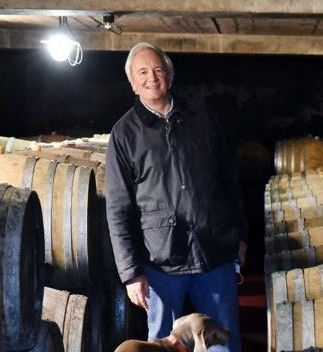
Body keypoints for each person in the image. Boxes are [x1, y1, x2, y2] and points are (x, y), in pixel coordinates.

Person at [104, 42, 248, 352]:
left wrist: (240, 236)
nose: (151, 78)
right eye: (142, 72)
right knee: (160, 344)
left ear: (169, 74)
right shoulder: (124, 134)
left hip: (214, 251)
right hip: (160, 261)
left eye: (157, 69)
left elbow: (229, 180)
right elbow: (118, 208)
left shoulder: (202, 119)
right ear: (132, 82)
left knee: (222, 341)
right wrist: (131, 273)